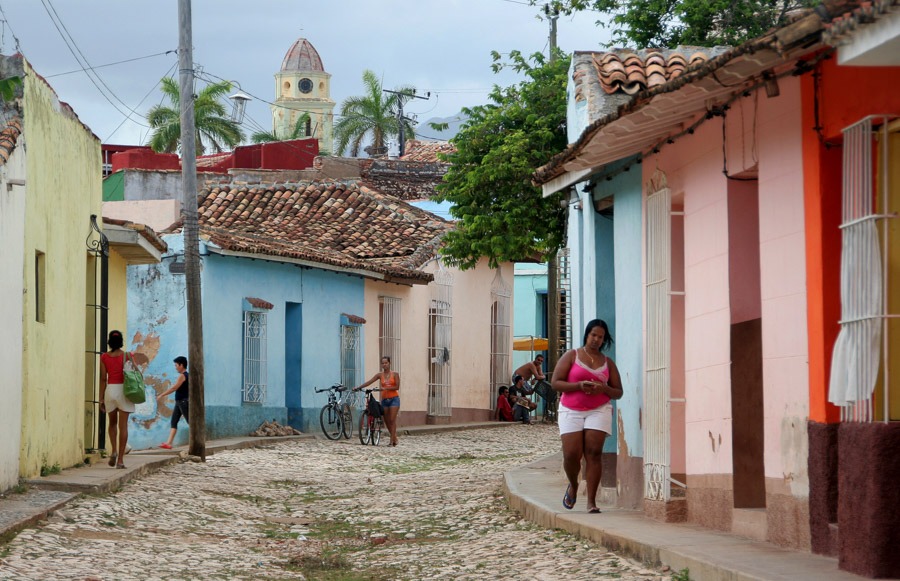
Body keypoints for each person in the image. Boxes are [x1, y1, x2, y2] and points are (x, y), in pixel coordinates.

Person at [551, 319, 623, 513]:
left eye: (600, 337)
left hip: (598, 410)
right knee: (571, 454)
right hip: (570, 409)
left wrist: (604, 388)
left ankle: (592, 501)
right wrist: (578, 386)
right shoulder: (571, 356)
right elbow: (555, 383)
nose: (596, 340)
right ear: (587, 335)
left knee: (594, 452)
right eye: (593, 335)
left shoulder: (608, 363)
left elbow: (618, 392)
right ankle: (574, 485)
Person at [99, 330, 134, 469]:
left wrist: (101, 399)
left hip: (110, 391)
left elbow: (103, 378)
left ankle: (113, 450)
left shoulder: (104, 357)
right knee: (123, 426)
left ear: (109, 341)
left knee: (112, 423)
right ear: (121, 341)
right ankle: (120, 460)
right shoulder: (127, 355)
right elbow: (134, 373)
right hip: (124, 391)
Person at [357, 356, 401, 446]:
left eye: (386, 363)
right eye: (383, 363)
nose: (384, 365)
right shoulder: (380, 375)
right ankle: (394, 438)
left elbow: (397, 387)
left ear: (389, 363)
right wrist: (358, 387)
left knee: (392, 420)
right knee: (386, 420)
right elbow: (370, 381)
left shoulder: (395, 374)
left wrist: (386, 388)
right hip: (384, 400)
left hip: (394, 399)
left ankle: (391, 441)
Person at [157, 356, 189, 449]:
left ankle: (199, 438)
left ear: (181, 365)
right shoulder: (185, 375)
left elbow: (174, 388)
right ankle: (169, 443)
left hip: (183, 402)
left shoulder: (183, 376)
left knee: (190, 421)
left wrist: (162, 395)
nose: (175, 367)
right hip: (179, 402)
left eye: (176, 365)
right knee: (174, 421)